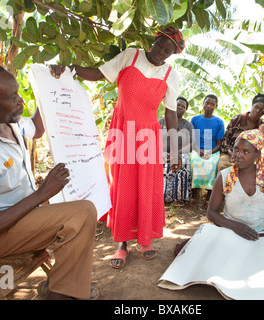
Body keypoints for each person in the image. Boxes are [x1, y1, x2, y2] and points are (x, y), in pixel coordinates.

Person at [0, 60, 98, 300]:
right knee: (81, 213)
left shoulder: (4, 120)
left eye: (18, 94)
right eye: (12, 97)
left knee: (78, 210)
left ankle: (59, 287)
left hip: (18, 216)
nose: (20, 100)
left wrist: (51, 87)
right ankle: (61, 294)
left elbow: (36, 128)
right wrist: (41, 195)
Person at [50, 27, 185, 269]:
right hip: (122, 131)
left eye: (167, 52)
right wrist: (71, 69)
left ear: (171, 54)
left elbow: (171, 114)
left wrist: (175, 151)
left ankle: (144, 240)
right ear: (154, 40)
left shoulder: (170, 75)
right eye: (159, 47)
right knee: (122, 185)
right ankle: (121, 243)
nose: (160, 54)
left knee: (145, 187)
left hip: (148, 136)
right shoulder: (130, 56)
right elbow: (99, 73)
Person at [207, 129, 264, 243]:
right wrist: (235, 226)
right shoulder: (224, 177)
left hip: (263, 235)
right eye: (236, 150)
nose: (238, 155)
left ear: (257, 155)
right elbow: (211, 212)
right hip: (231, 234)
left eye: (245, 152)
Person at [218, 94, 264, 172]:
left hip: (249, 158)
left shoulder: (261, 127)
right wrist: (232, 154)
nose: (257, 111)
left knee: (253, 172)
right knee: (223, 166)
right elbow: (225, 141)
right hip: (229, 153)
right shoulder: (237, 120)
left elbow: (260, 148)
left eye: (261, 110)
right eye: (256, 107)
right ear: (252, 106)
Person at [190, 94, 225, 205]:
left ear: (216, 106)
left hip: (213, 150)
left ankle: (209, 196)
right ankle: (195, 194)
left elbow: (219, 144)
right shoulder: (195, 119)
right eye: (207, 103)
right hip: (197, 149)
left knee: (213, 164)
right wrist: (199, 150)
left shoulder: (219, 122)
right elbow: (193, 140)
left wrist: (209, 152)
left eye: (212, 104)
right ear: (203, 104)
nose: (209, 106)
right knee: (195, 162)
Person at [159, 97, 194, 206]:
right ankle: (161, 196)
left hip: (180, 153)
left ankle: (179, 197)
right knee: (161, 158)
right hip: (162, 151)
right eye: (178, 105)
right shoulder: (161, 121)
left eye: (183, 107)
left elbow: (191, 144)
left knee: (183, 161)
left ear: (185, 110)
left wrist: (177, 153)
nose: (180, 108)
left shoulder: (188, 125)